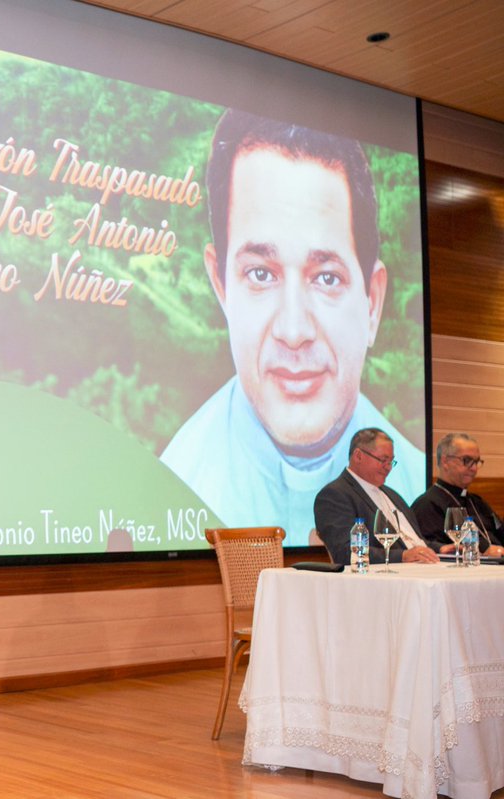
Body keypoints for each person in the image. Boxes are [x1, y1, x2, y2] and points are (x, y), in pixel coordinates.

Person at [160, 108, 424, 547]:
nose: (294, 330)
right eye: (261, 274)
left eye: (326, 278)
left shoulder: (414, 489)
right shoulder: (177, 486)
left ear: (372, 303)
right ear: (221, 287)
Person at [314, 428, 439, 565]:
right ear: (358, 456)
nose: (388, 467)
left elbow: (411, 540)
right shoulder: (334, 495)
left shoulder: (392, 495)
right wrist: (403, 556)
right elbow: (345, 552)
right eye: (383, 460)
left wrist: (443, 549)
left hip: (424, 565)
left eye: (391, 461)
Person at [410, 432, 504, 557]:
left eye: (476, 462)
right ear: (445, 462)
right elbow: (429, 547)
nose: (474, 468)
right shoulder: (427, 504)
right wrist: (482, 552)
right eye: (467, 460)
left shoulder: (476, 501)